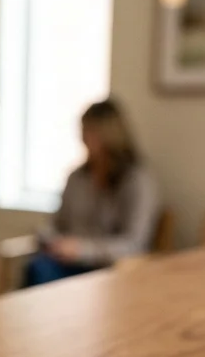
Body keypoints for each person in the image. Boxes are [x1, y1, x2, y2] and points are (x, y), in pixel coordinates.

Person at [24, 99, 161, 287]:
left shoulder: (137, 181)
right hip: (66, 264)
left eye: (91, 132)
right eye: (83, 131)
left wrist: (82, 250)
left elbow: (135, 244)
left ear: (110, 135)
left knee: (44, 275)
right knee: (37, 267)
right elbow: (57, 223)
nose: (84, 138)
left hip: (110, 270)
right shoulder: (77, 177)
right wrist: (52, 240)